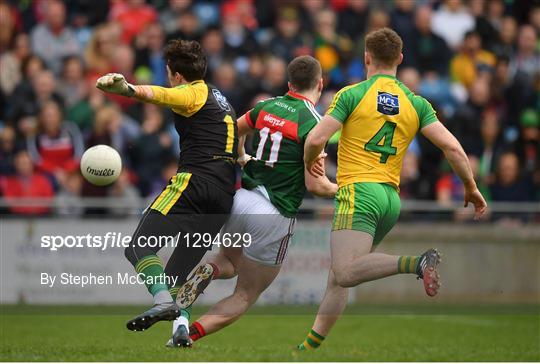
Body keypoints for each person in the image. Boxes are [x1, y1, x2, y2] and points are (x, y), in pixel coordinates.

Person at [299, 28, 487, 350]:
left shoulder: (352, 94)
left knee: (344, 272)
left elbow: (315, 139)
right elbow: (453, 148)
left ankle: (417, 263)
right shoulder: (416, 103)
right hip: (390, 199)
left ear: (366, 57)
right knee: (342, 274)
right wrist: (470, 186)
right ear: (400, 59)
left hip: (359, 191)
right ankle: (307, 349)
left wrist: (311, 164)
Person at [169, 56, 337, 347]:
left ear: (289, 84)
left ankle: (191, 296)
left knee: (227, 262)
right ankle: (190, 335)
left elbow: (233, 129)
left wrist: (241, 157)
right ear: (320, 84)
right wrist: (343, 188)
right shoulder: (314, 123)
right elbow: (316, 187)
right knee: (245, 294)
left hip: (242, 199)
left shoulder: (267, 106)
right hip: (274, 213)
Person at [95, 39, 238, 343]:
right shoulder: (220, 98)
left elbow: (158, 95)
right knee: (176, 275)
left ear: (175, 74)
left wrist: (127, 89)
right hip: (223, 195)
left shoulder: (191, 92)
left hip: (194, 184)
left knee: (138, 247)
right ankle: (181, 330)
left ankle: (161, 303)